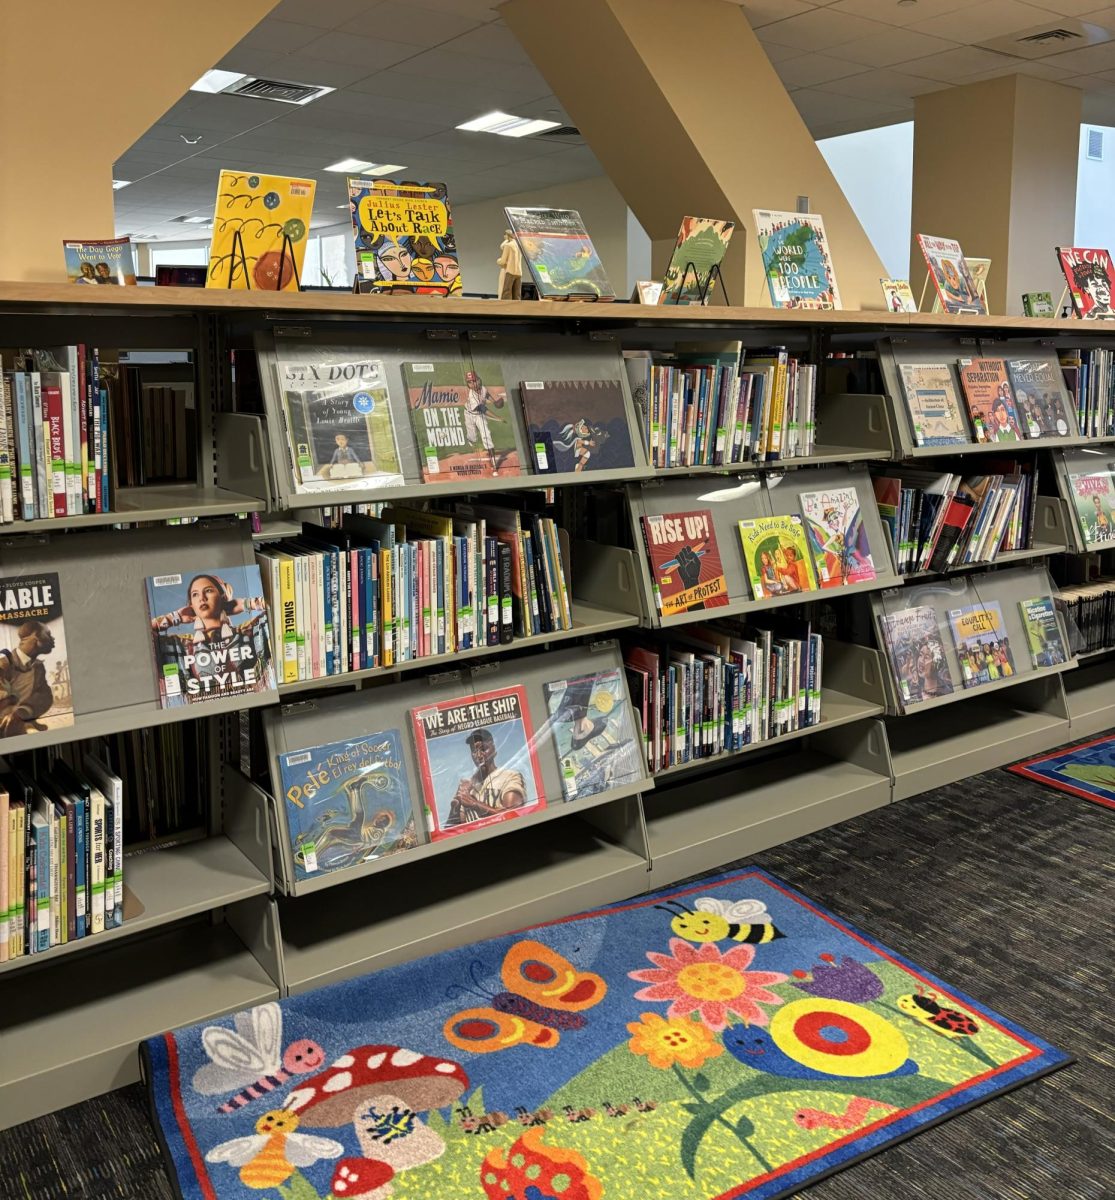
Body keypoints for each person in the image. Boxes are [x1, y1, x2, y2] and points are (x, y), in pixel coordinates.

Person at [447, 728, 527, 827]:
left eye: (484, 749)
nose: (479, 755)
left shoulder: (510, 777)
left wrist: (475, 804)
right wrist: (456, 804)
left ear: (494, 749)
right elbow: (452, 830)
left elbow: (513, 816)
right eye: (474, 751)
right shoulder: (469, 787)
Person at [0, 620, 58, 736]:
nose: (53, 639)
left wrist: (23, 711)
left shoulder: (38, 667)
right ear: (35, 637)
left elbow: (45, 696)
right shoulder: (3, 666)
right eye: (48, 634)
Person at [463, 370, 505, 473]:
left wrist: (494, 401)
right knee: (472, 438)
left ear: (478, 380)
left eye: (474, 380)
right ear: (468, 384)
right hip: (470, 415)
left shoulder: (483, 388)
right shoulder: (472, 396)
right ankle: (470, 439)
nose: (473, 383)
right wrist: (497, 417)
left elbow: (487, 394)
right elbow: (484, 409)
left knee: (487, 435)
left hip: (479, 416)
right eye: (470, 382)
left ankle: (494, 465)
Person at [497, 230, 523, 300]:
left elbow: (502, 261)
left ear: (507, 236)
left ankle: (505, 309)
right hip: (519, 272)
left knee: (506, 292)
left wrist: (498, 261)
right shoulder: (519, 245)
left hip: (510, 271)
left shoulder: (508, 245)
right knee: (517, 294)